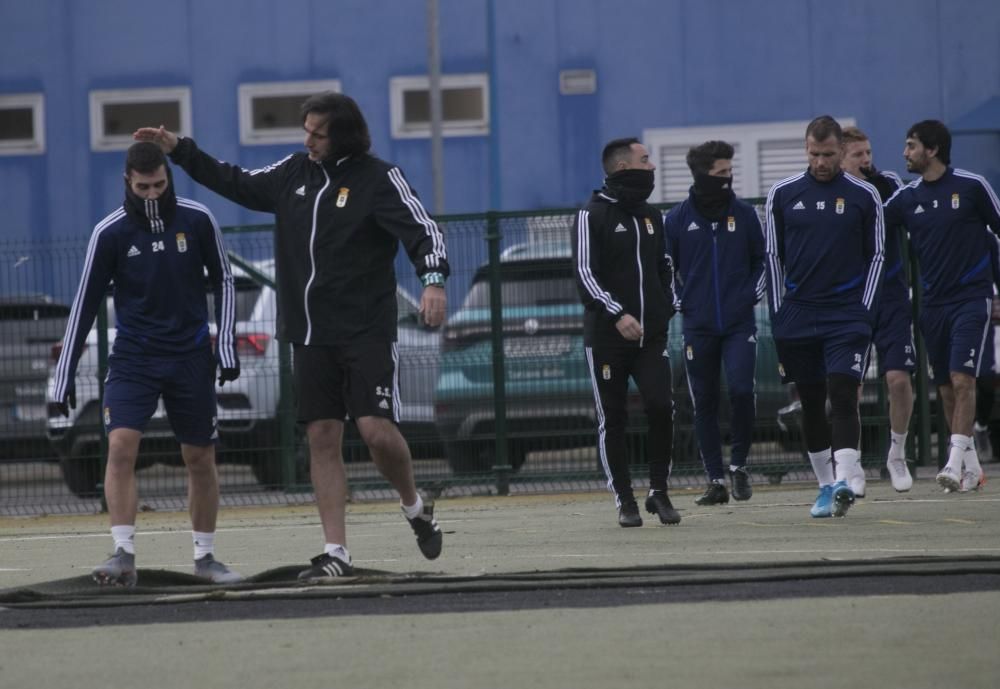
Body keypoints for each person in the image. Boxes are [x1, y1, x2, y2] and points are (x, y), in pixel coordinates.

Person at [134, 92, 448, 579]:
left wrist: (432, 282)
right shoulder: (292, 174)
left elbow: (424, 232)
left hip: (366, 329)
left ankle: (413, 504)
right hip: (308, 333)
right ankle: (336, 553)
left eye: (317, 133)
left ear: (342, 133)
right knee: (322, 436)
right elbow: (233, 180)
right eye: (306, 131)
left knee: (376, 433)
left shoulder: (379, 179)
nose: (308, 141)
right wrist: (180, 149)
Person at [50, 142, 243, 587]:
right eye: (143, 187)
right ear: (127, 183)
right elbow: (85, 302)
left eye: (159, 184)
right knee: (120, 447)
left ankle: (206, 558)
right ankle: (123, 554)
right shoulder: (110, 233)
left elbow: (225, 281)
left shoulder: (197, 219)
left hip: (190, 355)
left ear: (168, 177)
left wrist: (226, 345)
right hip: (135, 356)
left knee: (199, 456)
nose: (152, 194)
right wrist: (63, 376)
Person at [764, 115, 885, 518]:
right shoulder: (782, 194)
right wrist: (779, 313)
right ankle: (825, 485)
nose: (821, 162)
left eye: (829, 154)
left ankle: (846, 480)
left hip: (847, 315)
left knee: (843, 394)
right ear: (806, 150)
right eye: (814, 154)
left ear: (841, 151)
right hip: (798, 315)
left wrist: (864, 311)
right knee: (812, 403)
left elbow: (878, 256)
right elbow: (772, 257)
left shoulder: (864, 196)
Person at [884, 119, 1000, 493]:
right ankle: (969, 466)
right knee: (947, 388)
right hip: (932, 305)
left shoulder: (971, 187)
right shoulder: (906, 198)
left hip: (971, 299)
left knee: (965, 381)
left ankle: (950, 464)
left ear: (931, 150)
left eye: (911, 145)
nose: (905, 153)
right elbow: (869, 221)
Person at [572, 137, 680, 527]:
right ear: (623, 168)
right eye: (645, 159)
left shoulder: (652, 216)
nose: (652, 167)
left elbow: (664, 266)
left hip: (650, 337)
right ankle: (625, 500)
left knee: (661, 407)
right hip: (607, 340)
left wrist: (667, 307)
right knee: (613, 417)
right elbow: (585, 273)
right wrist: (617, 313)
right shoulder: (591, 215)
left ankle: (659, 492)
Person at [664, 141, 765, 505]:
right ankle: (715, 480)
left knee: (741, 391)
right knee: (703, 401)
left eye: (729, 172)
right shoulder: (676, 220)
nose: (728, 178)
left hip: (739, 324)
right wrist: (681, 301)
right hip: (698, 326)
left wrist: (751, 294)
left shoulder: (745, 214)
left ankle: (738, 466)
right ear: (702, 175)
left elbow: (761, 261)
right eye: (720, 173)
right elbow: (667, 271)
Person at [840, 126, 914, 494]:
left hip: (891, 294)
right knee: (846, 387)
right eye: (858, 155)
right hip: (851, 299)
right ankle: (851, 464)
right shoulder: (833, 195)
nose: (866, 160)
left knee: (898, 380)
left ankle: (897, 454)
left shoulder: (888, 183)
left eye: (867, 152)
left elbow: (908, 210)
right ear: (841, 158)